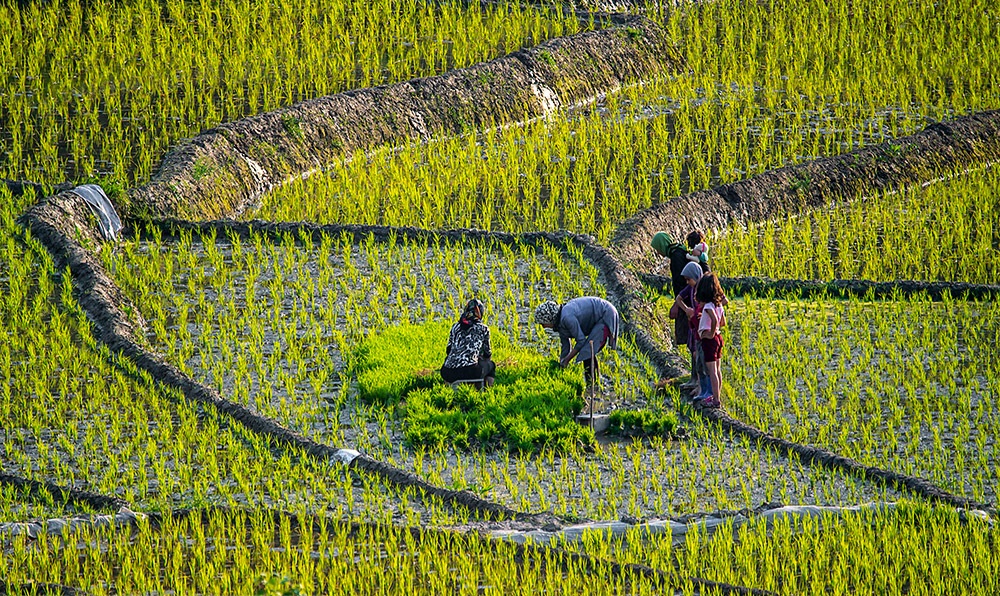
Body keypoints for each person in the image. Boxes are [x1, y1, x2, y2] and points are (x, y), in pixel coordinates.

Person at [535, 297, 619, 387]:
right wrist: (561, 363)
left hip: (605, 314)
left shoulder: (567, 317)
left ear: (549, 318)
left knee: (587, 351)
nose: (543, 327)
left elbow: (581, 341)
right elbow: (565, 345)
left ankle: (592, 385)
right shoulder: (559, 323)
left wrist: (567, 360)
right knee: (588, 351)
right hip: (600, 315)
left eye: (543, 323)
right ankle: (594, 382)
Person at [671, 262, 711, 398]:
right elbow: (678, 298)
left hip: (702, 327)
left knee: (700, 357)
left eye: (689, 279)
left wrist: (705, 312)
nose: (688, 282)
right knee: (693, 352)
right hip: (693, 326)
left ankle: (702, 387)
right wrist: (687, 309)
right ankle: (694, 379)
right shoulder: (690, 288)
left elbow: (722, 301)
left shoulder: (704, 288)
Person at [440, 299, 495, 388]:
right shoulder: (483, 328)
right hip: (470, 371)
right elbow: (487, 353)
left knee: (450, 363)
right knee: (491, 366)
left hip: (447, 372)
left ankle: (448, 390)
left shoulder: (455, 326)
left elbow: (449, 350)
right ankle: (485, 391)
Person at [696, 273, 727, 408]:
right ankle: (717, 396)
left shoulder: (708, 306)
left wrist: (710, 333)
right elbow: (723, 322)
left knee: (712, 371)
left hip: (710, 341)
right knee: (718, 370)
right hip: (719, 338)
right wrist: (715, 329)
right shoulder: (719, 305)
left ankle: (715, 400)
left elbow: (714, 320)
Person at [651, 231, 690, 297]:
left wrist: (680, 298)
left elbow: (680, 280)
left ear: (662, 246)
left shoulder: (676, 257)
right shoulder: (678, 250)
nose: (658, 253)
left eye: (658, 249)